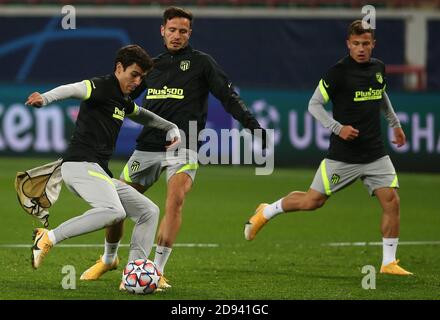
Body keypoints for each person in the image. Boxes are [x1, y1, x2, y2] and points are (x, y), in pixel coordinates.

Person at [80, 6, 266, 288]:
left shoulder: (202, 63)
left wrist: (252, 125)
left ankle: (156, 269)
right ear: (162, 31)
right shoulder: (151, 68)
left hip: (185, 145)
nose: (177, 35)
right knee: (115, 204)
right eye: (172, 30)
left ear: (189, 33)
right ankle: (109, 259)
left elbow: (228, 97)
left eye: (183, 31)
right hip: (147, 147)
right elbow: (121, 96)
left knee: (175, 199)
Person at [244, 20, 412, 276]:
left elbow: (381, 95)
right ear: (348, 44)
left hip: (375, 153)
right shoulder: (338, 72)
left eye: (365, 44)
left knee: (392, 201)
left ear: (373, 44)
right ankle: (266, 211)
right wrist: (338, 128)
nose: (361, 48)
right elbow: (314, 105)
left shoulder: (378, 68)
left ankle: (388, 263)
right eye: (356, 44)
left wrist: (395, 124)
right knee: (312, 201)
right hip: (343, 156)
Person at [25, 45, 181, 288]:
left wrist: (169, 126)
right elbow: (72, 89)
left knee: (148, 211)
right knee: (114, 212)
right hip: (78, 165)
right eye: (134, 74)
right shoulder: (100, 86)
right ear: (119, 68)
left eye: (141, 77)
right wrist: (45, 98)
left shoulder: (122, 98)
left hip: (97, 172)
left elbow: (141, 114)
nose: (138, 81)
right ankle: (48, 237)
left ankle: (134, 273)